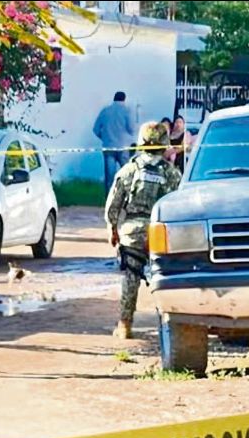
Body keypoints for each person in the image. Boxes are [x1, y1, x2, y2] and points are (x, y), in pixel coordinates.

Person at [104, 120, 181, 339]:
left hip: (132, 233)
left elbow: (113, 205)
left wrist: (112, 229)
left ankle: (125, 325)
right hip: (161, 232)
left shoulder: (129, 170)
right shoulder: (172, 173)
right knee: (166, 279)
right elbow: (179, 205)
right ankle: (171, 326)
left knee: (131, 278)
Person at [93, 91, 137, 193]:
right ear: (124, 99)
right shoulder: (127, 111)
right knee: (127, 174)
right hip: (123, 147)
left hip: (108, 147)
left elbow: (95, 129)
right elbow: (131, 129)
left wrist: (104, 138)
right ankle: (126, 196)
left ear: (114, 99)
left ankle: (109, 197)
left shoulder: (105, 111)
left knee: (109, 177)